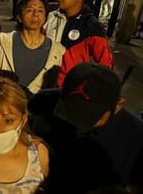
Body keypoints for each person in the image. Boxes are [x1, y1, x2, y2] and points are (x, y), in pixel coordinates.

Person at [45, 63, 143, 193]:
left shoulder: (137, 140)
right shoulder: (41, 104)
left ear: (118, 106)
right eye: (70, 111)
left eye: (89, 116)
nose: (76, 125)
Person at [0, 0, 65, 95]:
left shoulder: (57, 50)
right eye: (30, 10)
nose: (35, 14)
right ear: (19, 17)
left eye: (40, 11)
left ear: (45, 18)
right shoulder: (4, 42)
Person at [43, 0, 113, 87]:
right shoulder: (50, 17)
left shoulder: (91, 26)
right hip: (44, 82)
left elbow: (105, 63)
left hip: (70, 88)